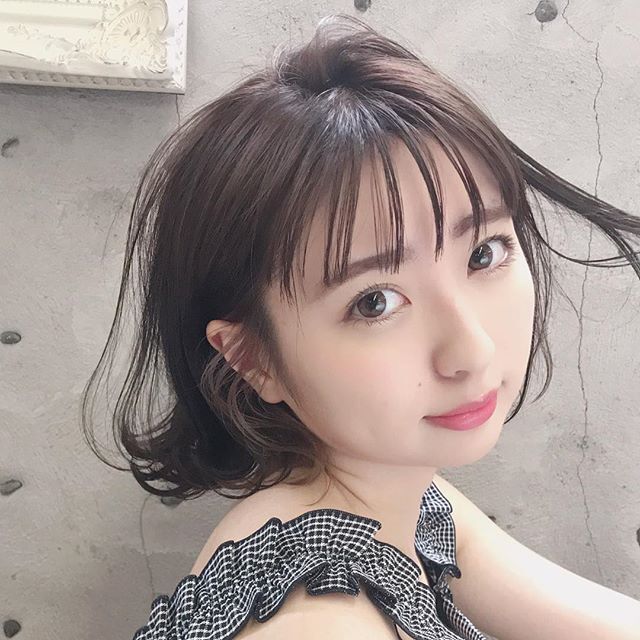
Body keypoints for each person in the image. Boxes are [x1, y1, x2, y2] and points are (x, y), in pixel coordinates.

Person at [81, 14, 640, 640]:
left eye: (484, 254)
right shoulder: (320, 622)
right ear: (252, 357)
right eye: (374, 302)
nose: (472, 350)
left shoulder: (390, 502)